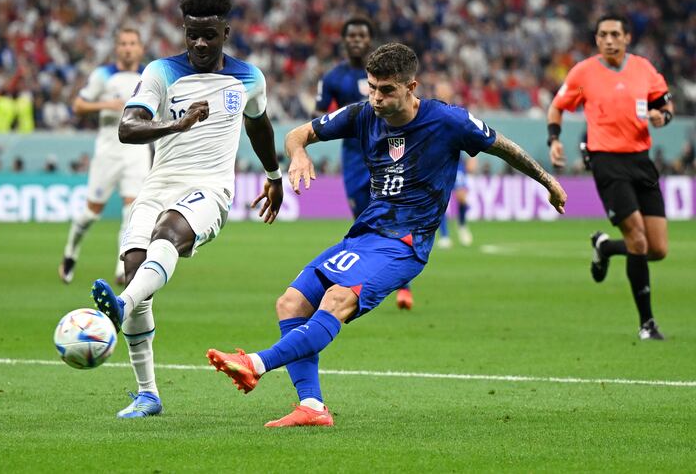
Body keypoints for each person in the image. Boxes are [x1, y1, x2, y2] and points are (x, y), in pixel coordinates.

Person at [206, 43, 566, 427]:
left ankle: (256, 363)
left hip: (405, 243)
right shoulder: (363, 114)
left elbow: (502, 147)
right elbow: (297, 134)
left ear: (412, 86)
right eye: (372, 87)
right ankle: (311, 407)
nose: (376, 97)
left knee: (337, 299)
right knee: (290, 304)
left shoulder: (448, 120)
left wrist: (546, 180)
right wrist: (299, 154)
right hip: (366, 234)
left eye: (387, 90)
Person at [90, 0, 283, 418]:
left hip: (211, 188)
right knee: (136, 265)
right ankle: (148, 394)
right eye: (192, 35)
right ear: (184, 30)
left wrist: (273, 176)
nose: (199, 44)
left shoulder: (249, 77)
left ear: (225, 33)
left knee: (167, 234)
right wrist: (177, 125)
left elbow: (260, 128)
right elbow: (127, 127)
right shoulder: (161, 71)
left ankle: (121, 306)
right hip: (158, 184)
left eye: (209, 36)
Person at [547, 14, 673, 341]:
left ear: (627, 37)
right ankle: (647, 324)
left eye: (615, 34)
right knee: (638, 240)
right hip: (606, 161)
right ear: (597, 39)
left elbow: (664, 103)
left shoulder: (644, 69)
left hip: (641, 161)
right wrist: (554, 139)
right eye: (602, 34)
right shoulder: (583, 72)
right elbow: (557, 106)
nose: (609, 40)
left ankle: (604, 247)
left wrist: (663, 116)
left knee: (657, 248)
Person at [315, 17, 414, 311]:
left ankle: (402, 284)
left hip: (389, 150)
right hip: (355, 157)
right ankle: (365, 275)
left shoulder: (388, 75)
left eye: (362, 35)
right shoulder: (334, 77)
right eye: (352, 36)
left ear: (370, 40)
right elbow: (320, 114)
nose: (356, 40)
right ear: (344, 41)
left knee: (393, 212)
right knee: (364, 216)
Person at [58, 28, 150, 285]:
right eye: (123, 43)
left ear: (141, 48)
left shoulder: (149, 75)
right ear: (116, 48)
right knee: (91, 214)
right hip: (108, 150)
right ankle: (70, 252)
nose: (128, 48)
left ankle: (122, 269)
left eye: (133, 43)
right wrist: (106, 105)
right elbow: (78, 105)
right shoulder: (103, 75)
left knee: (132, 211)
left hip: (137, 149)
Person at [432, 80, 473, 249]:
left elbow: (470, 134)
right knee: (440, 199)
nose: (440, 92)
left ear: (449, 92)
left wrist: (473, 157)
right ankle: (445, 236)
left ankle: (462, 225)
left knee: (462, 198)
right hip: (438, 163)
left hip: (457, 162)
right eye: (438, 89)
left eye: (443, 89)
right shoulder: (431, 110)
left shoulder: (458, 111)